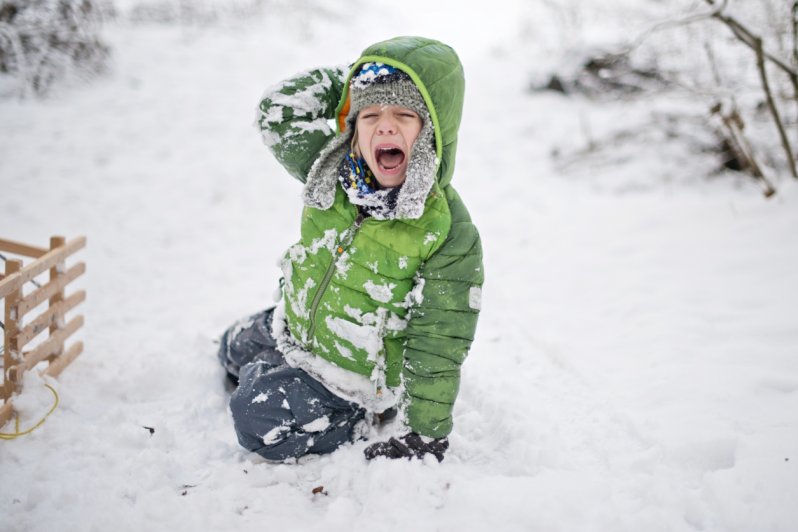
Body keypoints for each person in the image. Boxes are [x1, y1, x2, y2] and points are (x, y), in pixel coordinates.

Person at [218, 36, 483, 463]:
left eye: (404, 114)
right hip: (297, 328)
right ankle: (276, 360)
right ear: (352, 126)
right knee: (229, 350)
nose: (385, 126)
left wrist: (425, 433)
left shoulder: (446, 230)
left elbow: (440, 340)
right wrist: (356, 82)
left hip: (352, 378)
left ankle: (352, 418)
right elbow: (278, 111)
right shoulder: (332, 172)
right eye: (371, 114)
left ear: (433, 129)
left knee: (253, 416)